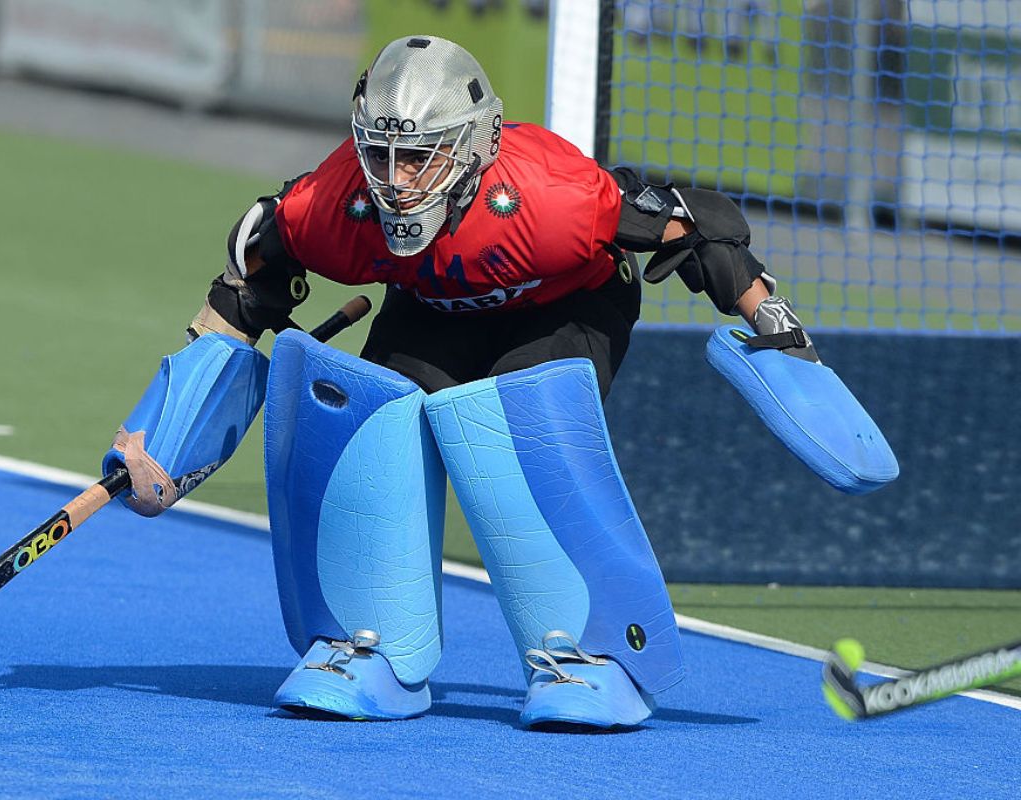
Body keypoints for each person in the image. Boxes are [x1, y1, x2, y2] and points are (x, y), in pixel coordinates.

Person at [154, 35, 826, 731]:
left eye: (420, 155)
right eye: (380, 153)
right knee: (367, 420)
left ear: (476, 145)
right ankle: (372, 648)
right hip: (433, 308)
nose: (396, 180)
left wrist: (780, 331)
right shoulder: (337, 203)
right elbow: (248, 283)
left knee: (519, 424)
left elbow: (701, 233)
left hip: (568, 304)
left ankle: (591, 658)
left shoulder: (555, 197)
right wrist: (170, 427)